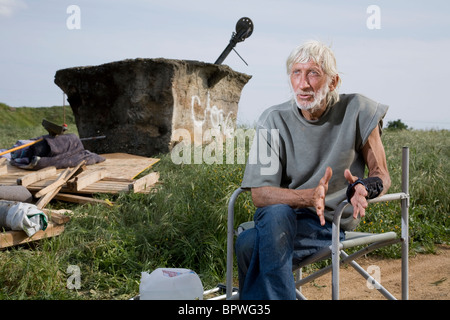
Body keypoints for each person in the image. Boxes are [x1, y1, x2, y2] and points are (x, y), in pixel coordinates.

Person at [235, 40, 391, 300]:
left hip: (332, 222)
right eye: (296, 73)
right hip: (285, 219)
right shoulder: (272, 119)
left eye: (313, 73)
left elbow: (381, 174)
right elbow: (260, 194)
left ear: (333, 81)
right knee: (274, 213)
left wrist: (364, 186)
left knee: (249, 244)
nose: (303, 83)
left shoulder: (359, 110)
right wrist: (307, 198)